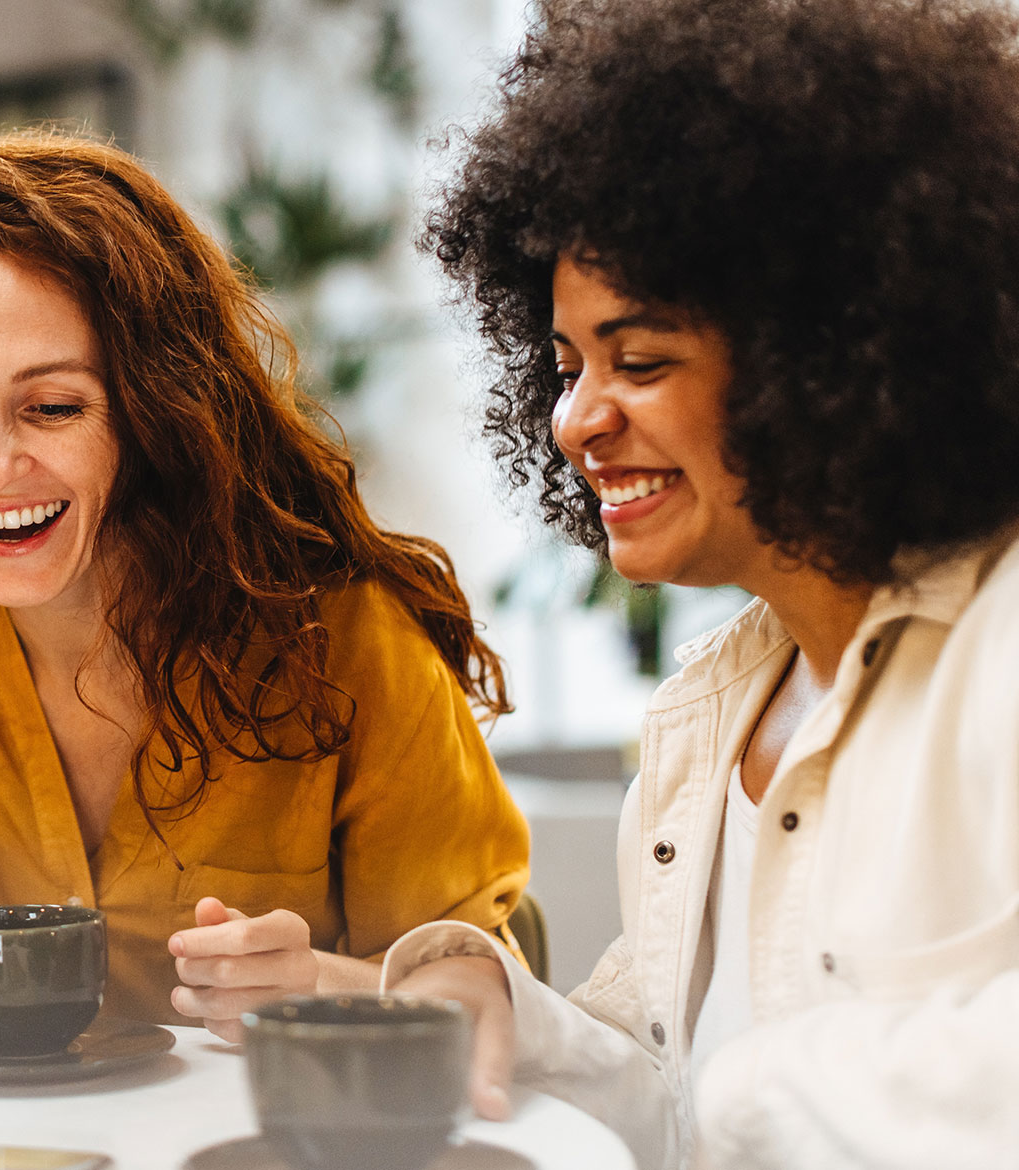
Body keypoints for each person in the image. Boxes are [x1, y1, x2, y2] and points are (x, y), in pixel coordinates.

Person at [0, 132, 531, 1144]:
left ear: (155, 408)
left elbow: (481, 974)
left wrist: (327, 981)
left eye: (51, 406)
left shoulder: (339, 631)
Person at [386, 0, 1019, 1166]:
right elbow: (671, 1094)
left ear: (821, 356)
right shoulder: (713, 709)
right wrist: (490, 1001)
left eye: (640, 361)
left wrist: (750, 1093)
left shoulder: (999, 650)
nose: (576, 419)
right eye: (568, 364)